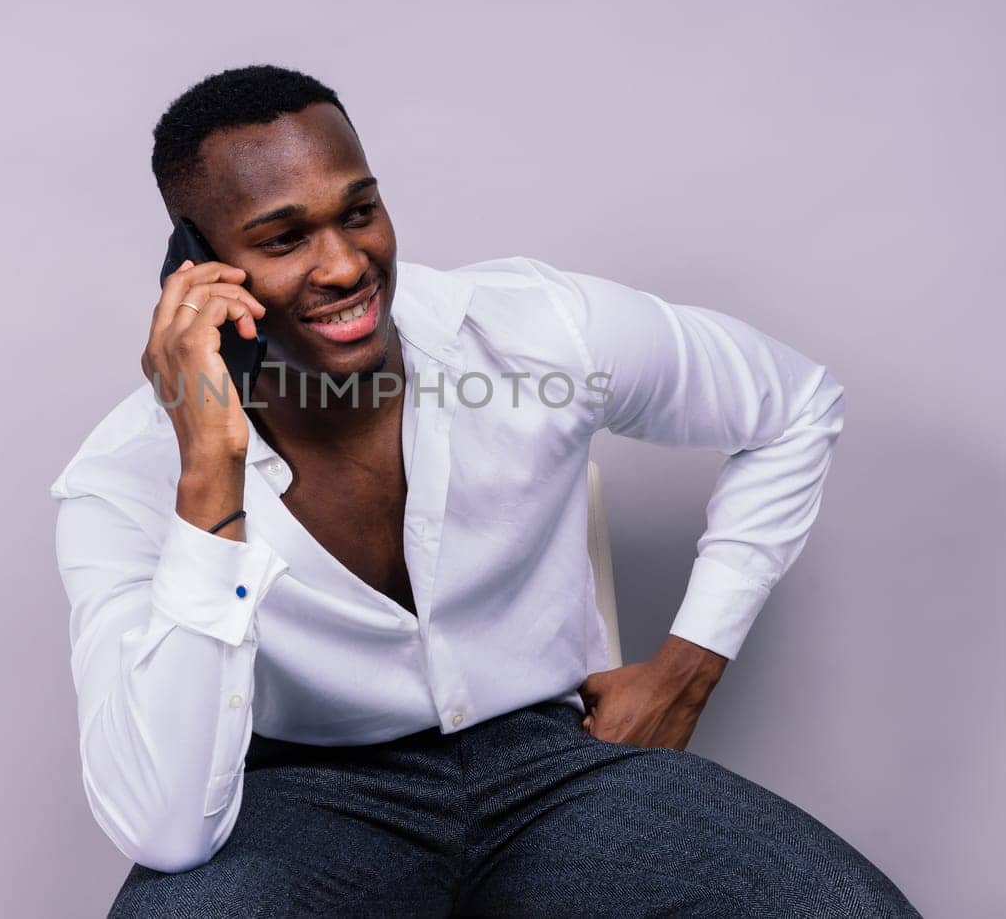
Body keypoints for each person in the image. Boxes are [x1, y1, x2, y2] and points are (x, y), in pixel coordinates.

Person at [50, 64, 921, 917]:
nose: (347, 264)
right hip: (300, 800)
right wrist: (210, 466)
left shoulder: (532, 329)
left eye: (360, 212)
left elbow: (794, 404)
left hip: (556, 762)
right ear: (196, 267)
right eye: (285, 239)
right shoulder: (122, 478)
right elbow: (166, 831)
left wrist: (690, 664)